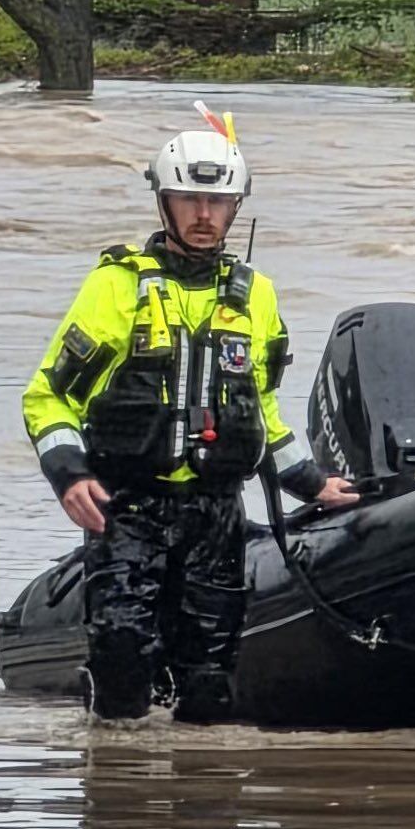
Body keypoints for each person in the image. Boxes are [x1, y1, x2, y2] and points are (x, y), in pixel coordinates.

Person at [22, 109, 357, 724]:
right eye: (190, 200)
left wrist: (310, 482)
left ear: (236, 208)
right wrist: (69, 475)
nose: (205, 216)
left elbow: (260, 407)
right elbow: (48, 397)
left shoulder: (256, 295)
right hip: (128, 509)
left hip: (216, 516)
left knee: (209, 681)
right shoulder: (115, 287)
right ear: (164, 202)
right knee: (122, 655)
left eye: (218, 202)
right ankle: (116, 790)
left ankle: (202, 804)